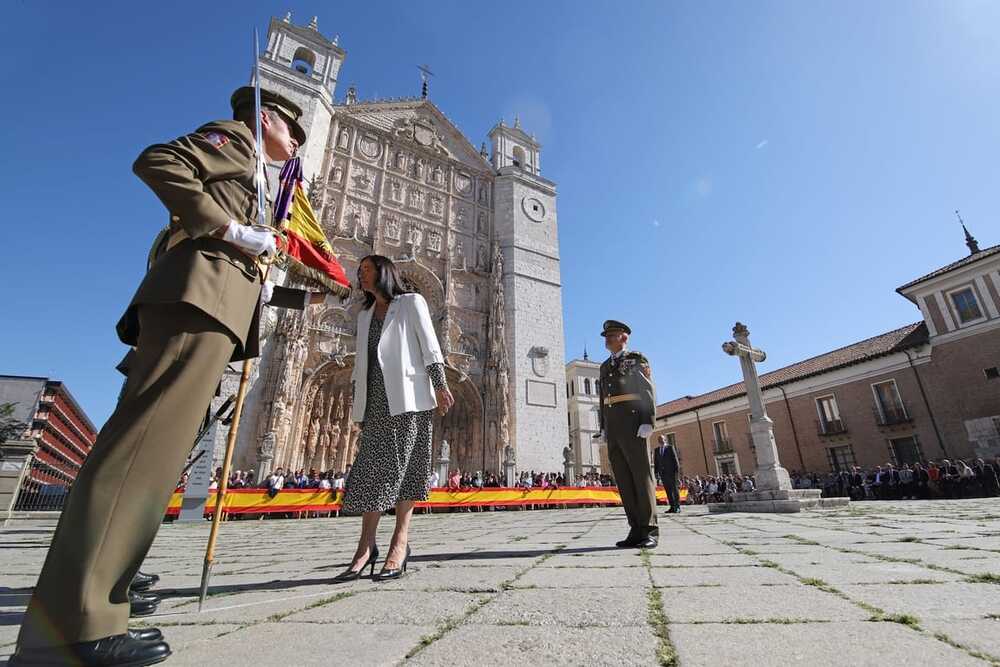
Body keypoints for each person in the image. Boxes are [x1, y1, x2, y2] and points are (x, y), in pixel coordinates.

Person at [11, 86, 340, 667]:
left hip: (215, 304)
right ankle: (74, 622)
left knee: (151, 459)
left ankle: (105, 592)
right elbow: (159, 162)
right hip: (197, 301)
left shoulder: (263, 177)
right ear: (266, 119)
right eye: (293, 133)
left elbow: (244, 262)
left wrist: (291, 290)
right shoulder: (236, 140)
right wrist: (229, 228)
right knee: (138, 454)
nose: (296, 146)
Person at [334, 255, 455, 583]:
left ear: (384, 273)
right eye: (359, 272)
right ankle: (365, 546)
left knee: (407, 468)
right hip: (374, 399)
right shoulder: (364, 315)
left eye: (367, 270)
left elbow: (430, 348)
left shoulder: (411, 303)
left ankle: (400, 543)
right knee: (370, 470)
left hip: (409, 397)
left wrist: (440, 386)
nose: (361, 275)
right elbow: (364, 361)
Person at [595, 320, 658, 548]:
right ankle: (635, 528)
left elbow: (646, 389)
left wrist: (647, 420)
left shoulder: (636, 359)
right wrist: (603, 427)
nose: (607, 339)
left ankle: (649, 530)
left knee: (641, 478)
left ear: (624, 337)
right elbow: (603, 400)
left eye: (612, 335)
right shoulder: (604, 366)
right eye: (606, 336)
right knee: (623, 479)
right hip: (613, 427)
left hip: (633, 424)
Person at [653, 435, 681, 514]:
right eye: (659, 439)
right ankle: (672, 507)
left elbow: (675, 460)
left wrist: (676, 472)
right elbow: (656, 462)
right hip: (663, 474)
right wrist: (656, 473)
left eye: (661, 439)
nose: (660, 440)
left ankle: (677, 507)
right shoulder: (657, 450)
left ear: (665, 440)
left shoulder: (670, 448)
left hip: (672, 473)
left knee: (674, 490)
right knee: (668, 491)